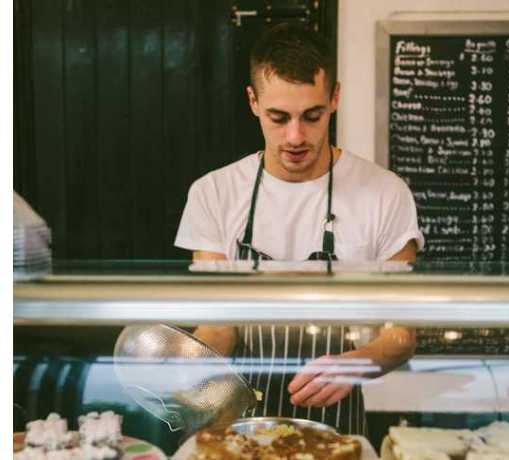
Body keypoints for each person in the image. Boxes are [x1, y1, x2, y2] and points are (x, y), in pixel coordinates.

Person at [174, 23, 424, 436]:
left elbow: (401, 334)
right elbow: (220, 325)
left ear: (335, 98)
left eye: (312, 116)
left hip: (337, 429)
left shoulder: (385, 193)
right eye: (279, 117)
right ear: (253, 101)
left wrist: (357, 364)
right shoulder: (214, 193)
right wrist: (190, 369)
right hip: (239, 425)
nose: (295, 136)